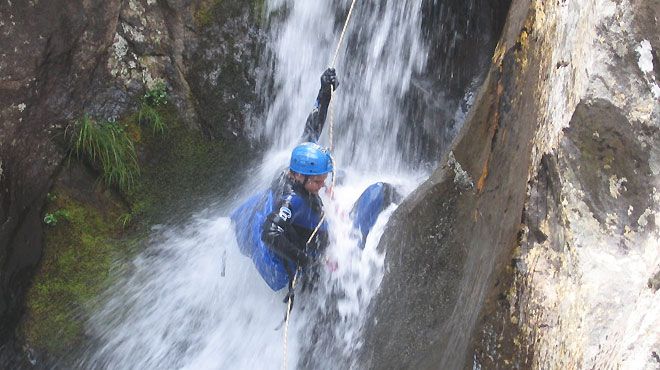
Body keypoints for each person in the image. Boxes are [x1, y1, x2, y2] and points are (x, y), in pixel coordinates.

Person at [231, 68, 338, 292]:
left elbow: (312, 128)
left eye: (323, 180)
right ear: (300, 176)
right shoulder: (293, 200)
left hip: (298, 226)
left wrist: (324, 94)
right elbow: (270, 233)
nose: (322, 185)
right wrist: (305, 261)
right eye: (318, 182)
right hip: (299, 246)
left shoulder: (295, 166)